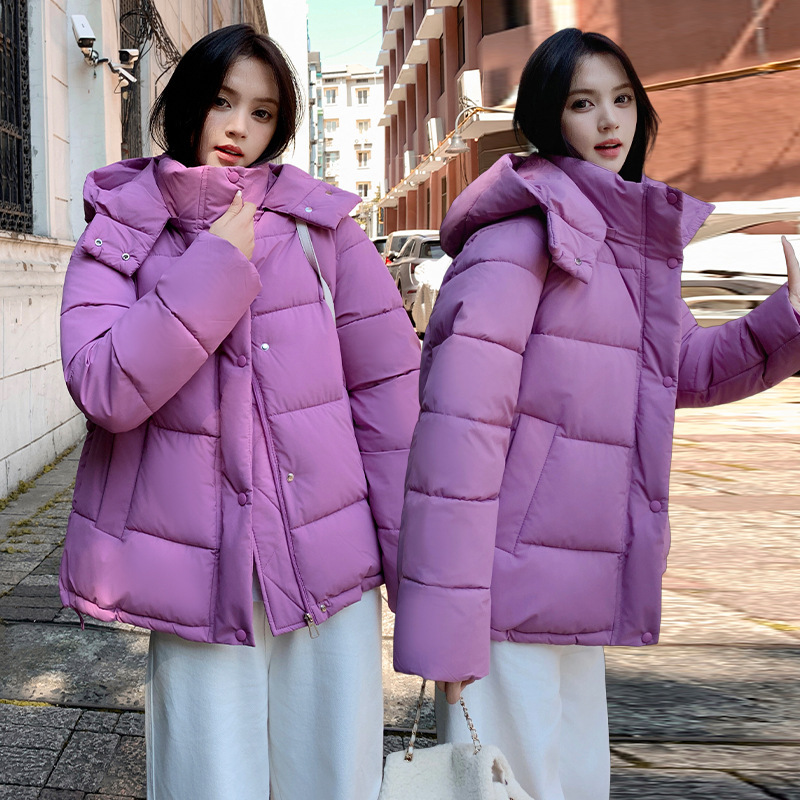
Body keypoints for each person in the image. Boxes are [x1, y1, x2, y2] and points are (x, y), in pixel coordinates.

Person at [392, 27, 800, 800]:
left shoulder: (618, 245)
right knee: (506, 788)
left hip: (576, 589)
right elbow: (456, 439)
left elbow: (685, 368)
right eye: (583, 103)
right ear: (548, 117)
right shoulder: (516, 240)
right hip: (502, 598)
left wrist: (787, 317)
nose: (610, 120)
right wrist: (445, 624)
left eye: (622, 100)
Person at [58, 24, 421, 800]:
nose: (239, 128)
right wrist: (215, 266)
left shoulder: (324, 229)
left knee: (335, 781)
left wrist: (424, 584)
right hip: (194, 577)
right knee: (208, 782)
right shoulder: (122, 227)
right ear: (189, 101)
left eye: (261, 113)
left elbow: (392, 413)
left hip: (329, 567)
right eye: (224, 102)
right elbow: (103, 387)